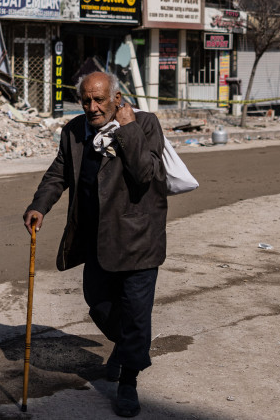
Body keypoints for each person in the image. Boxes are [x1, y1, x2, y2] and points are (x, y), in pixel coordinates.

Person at [23, 71, 169, 418]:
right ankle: (126, 346)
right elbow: (59, 172)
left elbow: (144, 173)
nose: (92, 107)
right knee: (100, 305)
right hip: (97, 241)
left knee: (135, 315)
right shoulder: (75, 132)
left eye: (99, 99)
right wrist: (39, 205)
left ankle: (129, 380)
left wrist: (128, 127)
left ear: (117, 98)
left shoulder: (145, 124)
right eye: (86, 100)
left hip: (138, 241)